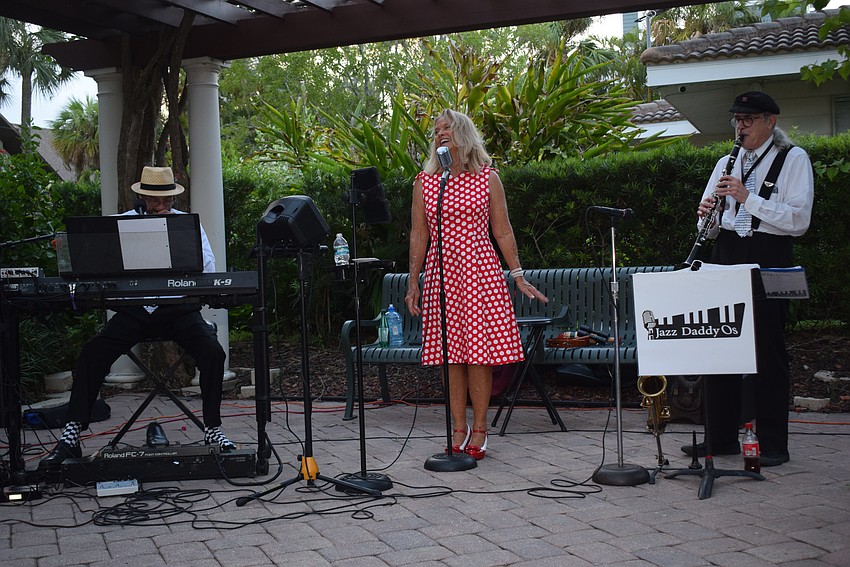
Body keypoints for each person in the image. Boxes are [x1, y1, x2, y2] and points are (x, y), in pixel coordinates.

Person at [39, 166, 235, 470]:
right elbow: (99, 266)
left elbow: (208, 271)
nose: (163, 206)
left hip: (177, 311)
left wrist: (178, 236)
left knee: (213, 352)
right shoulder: (121, 224)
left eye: (168, 200)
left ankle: (213, 429)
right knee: (93, 353)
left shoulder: (186, 224)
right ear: (142, 196)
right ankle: (71, 435)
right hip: (134, 311)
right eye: (157, 201)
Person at [404, 109, 547, 460]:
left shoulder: (487, 177)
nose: (441, 133)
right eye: (436, 130)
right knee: (450, 356)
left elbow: (502, 229)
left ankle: (480, 427)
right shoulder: (426, 182)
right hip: (442, 275)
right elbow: (419, 233)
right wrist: (413, 282)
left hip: (479, 272)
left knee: (478, 355)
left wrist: (517, 274)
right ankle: (457, 425)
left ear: (464, 133)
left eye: (447, 127)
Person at [682, 92, 814, 467]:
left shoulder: (794, 158)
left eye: (748, 119)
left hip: (770, 258)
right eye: (736, 119)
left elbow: (798, 221)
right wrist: (706, 215)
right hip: (726, 254)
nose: (740, 127)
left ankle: (774, 444)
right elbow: (707, 228)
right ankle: (720, 438)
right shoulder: (727, 161)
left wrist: (747, 198)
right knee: (719, 344)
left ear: (770, 121)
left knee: (768, 352)